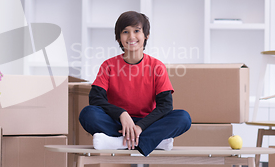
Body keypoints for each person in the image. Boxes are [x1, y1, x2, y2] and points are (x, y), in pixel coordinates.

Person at [79, 11, 191, 156]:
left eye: (136, 31)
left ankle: (119, 142)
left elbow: (165, 106)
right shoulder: (108, 65)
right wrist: (121, 114)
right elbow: (95, 99)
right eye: (125, 32)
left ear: (146, 35)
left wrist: (140, 126)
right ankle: (153, 141)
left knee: (183, 118)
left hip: (148, 123)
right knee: (88, 114)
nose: (131, 37)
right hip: (118, 122)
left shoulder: (157, 66)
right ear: (119, 38)